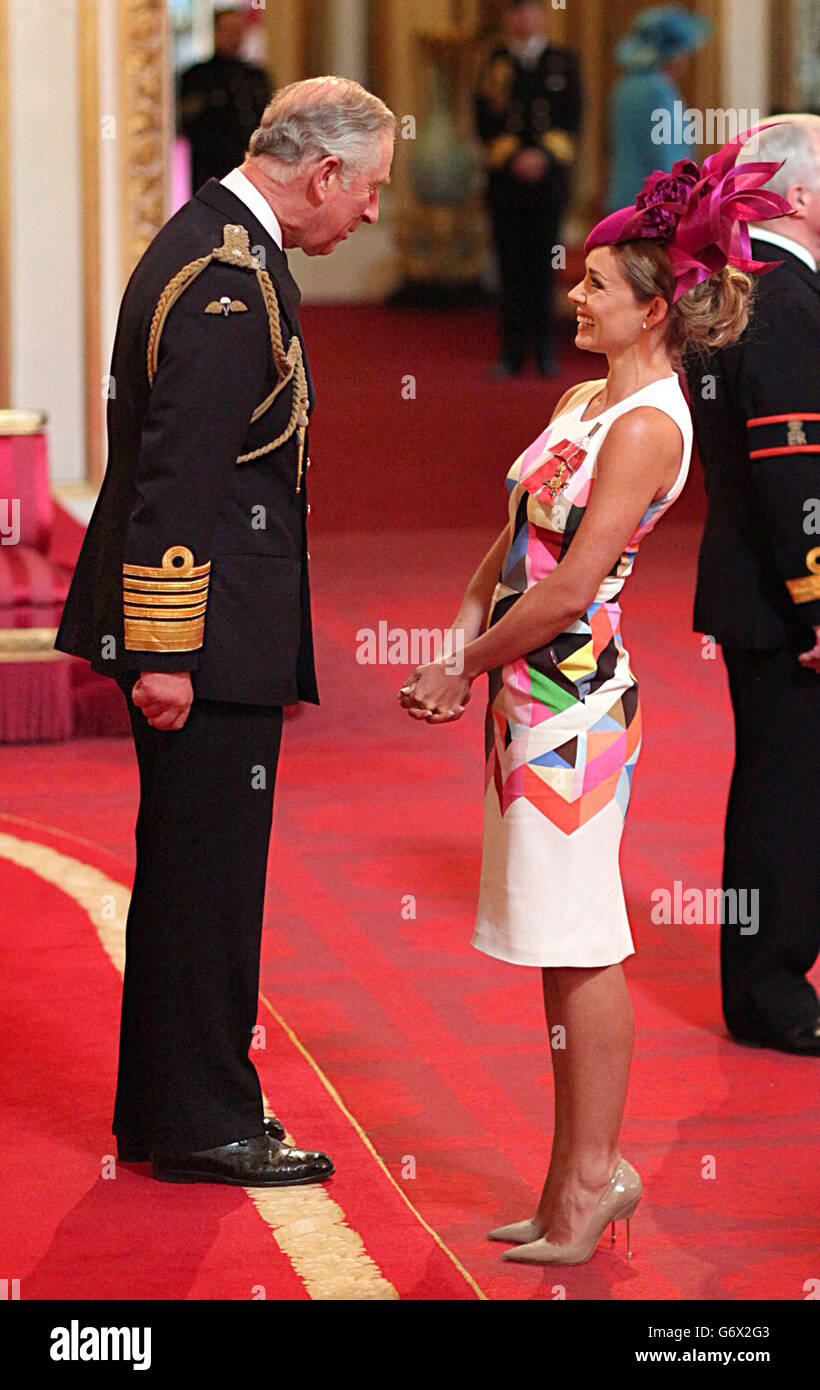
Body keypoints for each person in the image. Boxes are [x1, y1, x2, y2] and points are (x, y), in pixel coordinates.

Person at [400, 138, 789, 1263]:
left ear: (655, 310)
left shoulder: (650, 426)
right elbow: (515, 537)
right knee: (555, 948)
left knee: (583, 945)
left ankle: (591, 1181)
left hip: (572, 716)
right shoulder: (581, 397)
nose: (575, 291)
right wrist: (464, 630)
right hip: (522, 699)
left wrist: (459, 667)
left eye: (597, 286)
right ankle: (569, 1174)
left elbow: (572, 585)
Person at [56, 77, 396, 1186]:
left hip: (213, 628)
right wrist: (163, 652)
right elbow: (176, 480)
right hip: (204, 638)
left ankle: (172, 1110)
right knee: (207, 884)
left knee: (190, 878)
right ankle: (206, 1119)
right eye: (371, 192)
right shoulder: (223, 280)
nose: (373, 216)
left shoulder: (231, 249)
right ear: (323, 174)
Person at [685, 115, 820, 1056]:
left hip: (766, 590)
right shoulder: (785, 298)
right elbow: (793, 461)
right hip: (784, 600)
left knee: (784, 789)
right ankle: (769, 991)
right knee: (786, 797)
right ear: (803, 198)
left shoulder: (759, 286)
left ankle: (769, 976)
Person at [474, 0, 582, 378]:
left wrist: (543, 158)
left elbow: (572, 119)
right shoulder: (494, 62)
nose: (524, 18)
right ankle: (510, 353)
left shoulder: (563, 61)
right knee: (510, 269)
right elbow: (484, 120)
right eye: (516, 11)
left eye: (531, 10)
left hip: (548, 184)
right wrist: (513, 158)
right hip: (507, 185)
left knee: (544, 267)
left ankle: (546, 352)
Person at [607, 5, 712, 214]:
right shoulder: (658, 90)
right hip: (654, 206)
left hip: (624, 200)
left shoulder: (625, 85)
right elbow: (669, 158)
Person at [179, 6, 273, 194]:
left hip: (249, 166)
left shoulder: (255, 76)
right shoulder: (197, 76)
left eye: (238, 31)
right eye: (228, 30)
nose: (234, 36)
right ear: (216, 32)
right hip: (211, 167)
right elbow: (186, 121)